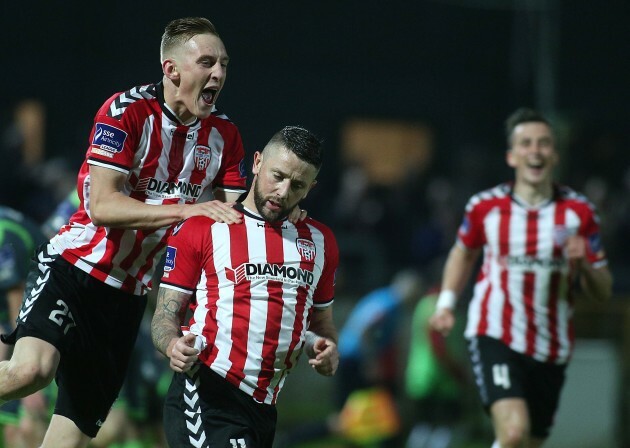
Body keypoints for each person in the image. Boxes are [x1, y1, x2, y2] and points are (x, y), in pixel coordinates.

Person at [0, 16, 310, 448]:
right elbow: (103, 206)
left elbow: (242, 212)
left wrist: (283, 207)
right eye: (206, 62)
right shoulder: (126, 112)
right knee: (30, 371)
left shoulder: (225, 135)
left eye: (223, 64)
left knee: (72, 437)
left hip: (127, 296)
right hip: (75, 268)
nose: (218, 73)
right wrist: (188, 208)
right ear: (172, 69)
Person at [430, 108, 613, 448]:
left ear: (554, 154)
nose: (535, 150)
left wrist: (585, 263)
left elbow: (602, 290)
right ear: (512, 156)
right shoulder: (485, 206)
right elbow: (463, 252)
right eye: (526, 143)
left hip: (551, 345)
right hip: (494, 332)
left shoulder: (580, 212)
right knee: (513, 434)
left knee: (528, 441)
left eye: (544, 143)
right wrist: (446, 304)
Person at [151, 125, 339, 448]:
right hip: (208, 391)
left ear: (311, 188)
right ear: (256, 163)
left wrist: (326, 348)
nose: (283, 192)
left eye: (297, 185)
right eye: (277, 176)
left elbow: (321, 325)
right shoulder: (203, 229)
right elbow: (164, 317)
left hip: (264, 409)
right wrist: (172, 346)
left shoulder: (321, 242)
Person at [0, 206, 50, 447]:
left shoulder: (4, 233)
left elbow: (17, 309)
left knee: (28, 426)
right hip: (20, 326)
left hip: (48, 327)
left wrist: (27, 377)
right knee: (12, 428)